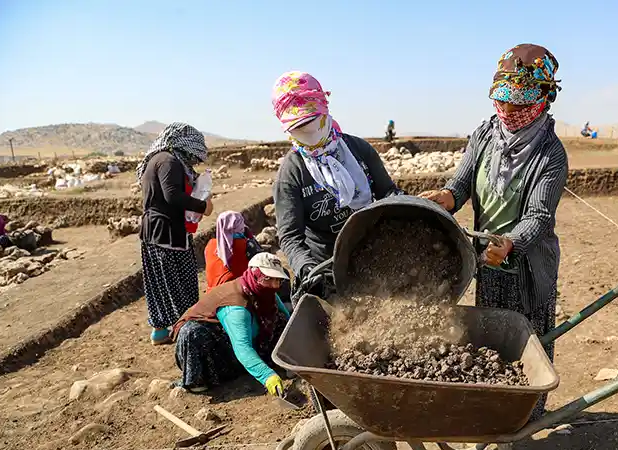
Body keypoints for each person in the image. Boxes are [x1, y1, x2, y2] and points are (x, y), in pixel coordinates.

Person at [419, 43, 568, 420]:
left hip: (528, 262)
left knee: (528, 335)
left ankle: (526, 414)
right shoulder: (485, 134)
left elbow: (538, 216)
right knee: (492, 329)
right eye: (502, 102)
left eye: (519, 105)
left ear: (543, 100)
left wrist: (511, 243)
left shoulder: (551, 153)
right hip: (487, 257)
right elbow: (461, 184)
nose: (508, 111)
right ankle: (495, 405)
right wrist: (446, 196)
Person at [271, 71, 402, 299]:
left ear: (325, 111)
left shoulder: (359, 150)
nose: (309, 134)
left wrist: (409, 207)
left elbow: (388, 192)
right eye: (299, 129)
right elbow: (291, 236)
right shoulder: (292, 172)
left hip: (373, 256)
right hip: (326, 271)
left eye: (312, 123)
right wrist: (308, 269)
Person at [170, 253, 299, 402]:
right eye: (269, 279)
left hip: (237, 335)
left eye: (278, 280)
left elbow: (288, 322)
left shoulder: (264, 292)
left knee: (280, 319)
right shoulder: (236, 307)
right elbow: (242, 347)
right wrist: (267, 376)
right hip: (209, 345)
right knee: (193, 333)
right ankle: (200, 381)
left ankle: (261, 362)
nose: (275, 286)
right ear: (256, 276)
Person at [137, 123, 213, 345]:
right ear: (185, 147)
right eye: (194, 155)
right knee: (180, 281)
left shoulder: (160, 159)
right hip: (167, 232)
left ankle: (160, 330)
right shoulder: (169, 162)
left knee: (159, 282)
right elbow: (173, 196)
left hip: (154, 231)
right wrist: (203, 206)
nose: (195, 161)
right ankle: (187, 329)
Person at [204, 210, 293, 311]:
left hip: (212, 295)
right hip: (237, 293)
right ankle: (286, 306)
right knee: (280, 274)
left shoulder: (210, 245)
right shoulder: (246, 244)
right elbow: (265, 263)